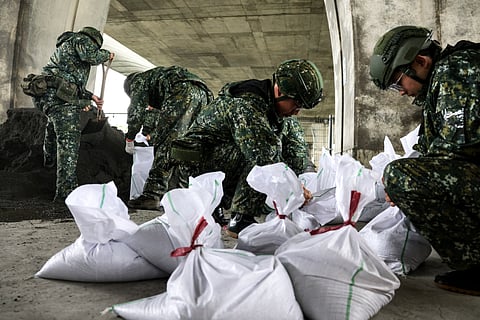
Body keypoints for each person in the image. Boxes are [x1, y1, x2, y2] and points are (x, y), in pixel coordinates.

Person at [369, 25, 480, 296]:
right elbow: (430, 146)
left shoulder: (456, 72)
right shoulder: (439, 83)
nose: (401, 92)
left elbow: (456, 152)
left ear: (420, 62)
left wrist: (404, 182)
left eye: (398, 82)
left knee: (401, 176)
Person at [168, 59, 324, 238]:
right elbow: (263, 155)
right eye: (296, 104)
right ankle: (240, 218)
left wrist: (296, 188)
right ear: (279, 90)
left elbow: (296, 154)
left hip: (221, 167)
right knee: (261, 150)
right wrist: (293, 187)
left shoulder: (279, 113)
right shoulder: (245, 106)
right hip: (194, 169)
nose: (297, 111)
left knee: (280, 148)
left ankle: (221, 206)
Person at [28, 27, 114, 202]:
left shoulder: (66, 47)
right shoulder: (80, 40)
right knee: (69, 142)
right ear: (94, 41)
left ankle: (48, 164)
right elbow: (91, 57)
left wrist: (91, 97)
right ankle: (65, 194)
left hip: (49, 95)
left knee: (53, 127)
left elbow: (70, 82)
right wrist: (107, 55)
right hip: (59, 98)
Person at [124, 66, 214, 211]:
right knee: (185, 146)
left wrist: (130, 137)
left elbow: (136, 112)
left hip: (182, 92)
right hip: (204, 94)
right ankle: (180, 195)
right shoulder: (156, 79)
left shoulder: (138, 81)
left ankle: (152, 195)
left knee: (166, 144)